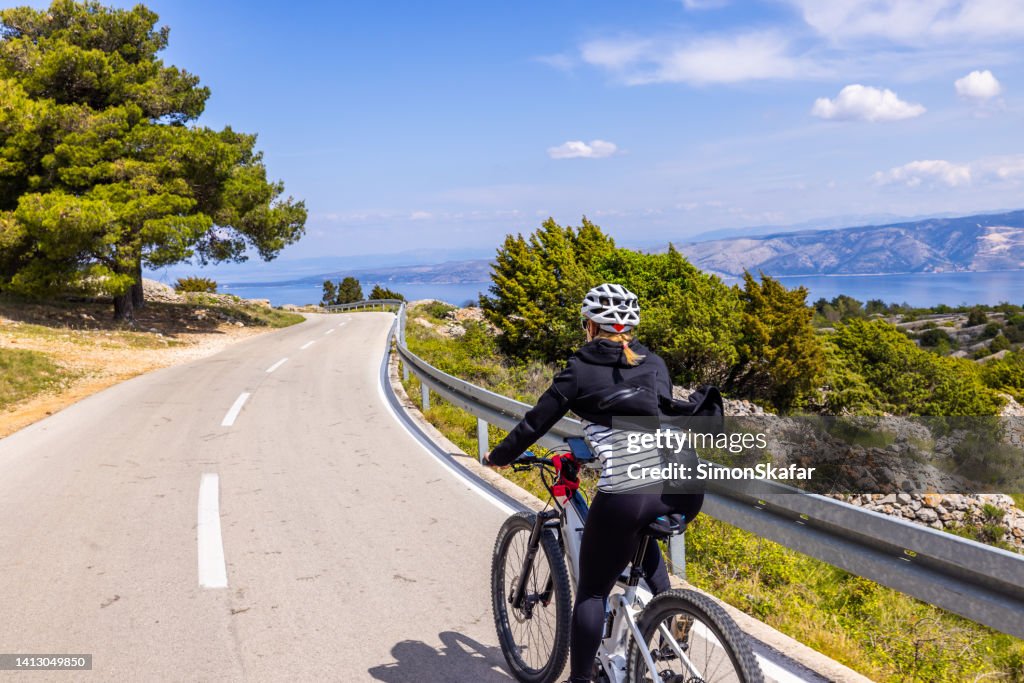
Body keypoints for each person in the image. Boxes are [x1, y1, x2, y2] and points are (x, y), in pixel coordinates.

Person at [484, 283, 705, 683]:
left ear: (588, 325)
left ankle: (581, 679)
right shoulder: (654, 364)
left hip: (629, 492)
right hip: (683, 486)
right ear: (630, 327)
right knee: (639, 532)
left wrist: (498, 457)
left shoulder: (579, 370)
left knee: (591, 593)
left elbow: (535, 423)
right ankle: (670, 611)